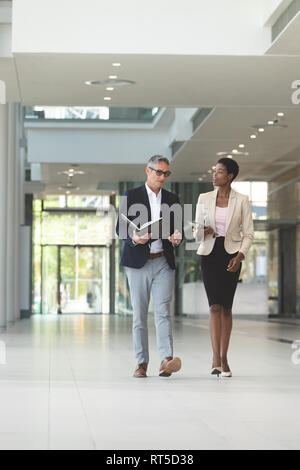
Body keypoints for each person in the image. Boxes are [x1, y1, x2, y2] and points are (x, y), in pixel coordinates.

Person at [116, 155, 183, 378]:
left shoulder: (172, 198)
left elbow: (177, 230)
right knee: (140, 315)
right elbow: (121, 229)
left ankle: (166, 360)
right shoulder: (132, 195)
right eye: (159, 172)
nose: (162, 177)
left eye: (166, 173)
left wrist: (177, 237)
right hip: (138, 263)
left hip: (163, 261)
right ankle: (141, 363)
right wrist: (135, 238)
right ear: (148, 171)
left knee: (163, 312)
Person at [194, 158, 254, 378]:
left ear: (230, 176)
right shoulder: (204, 198)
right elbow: (196, 234)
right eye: (214, 171)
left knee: (226, 307)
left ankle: (225, 357)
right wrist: (203, 230)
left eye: (219, 172)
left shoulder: (242, 200)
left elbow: (248, 233)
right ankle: (215, 359)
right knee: (214, 307)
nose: (215, 175)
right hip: (210, 253)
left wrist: (240, 255)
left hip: (232, 255)